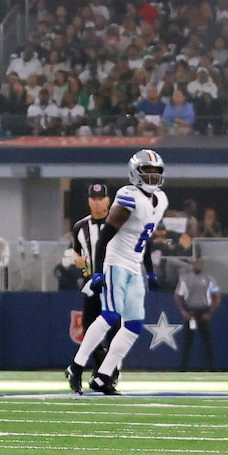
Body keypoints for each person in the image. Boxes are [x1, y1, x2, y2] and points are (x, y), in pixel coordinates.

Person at [68, 149, 170, 397]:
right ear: (136, 172)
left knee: (133, 325)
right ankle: (76, 366)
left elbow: (143, 239)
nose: (152, 176)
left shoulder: (161, 200)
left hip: (134, 264)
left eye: (156, 172)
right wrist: (99, 271)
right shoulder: (128, 196)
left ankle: (103, 376)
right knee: (110, 315)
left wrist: (149, 271)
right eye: (147, 171)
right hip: (115, 262)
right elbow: (104, 237)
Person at [175, 257, 220, 370]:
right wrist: (184, 311)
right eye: (195, 264)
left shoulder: (209, 279)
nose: (197, 266)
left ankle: (211, 367)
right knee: (187, 341)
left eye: (199, 264)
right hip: (191, 312)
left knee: (207, 341)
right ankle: (183, 367)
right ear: (192, 265)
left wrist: (209, 312)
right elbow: (177, 296)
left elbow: (217, 297)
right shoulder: (185, 279)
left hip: (203, 311)